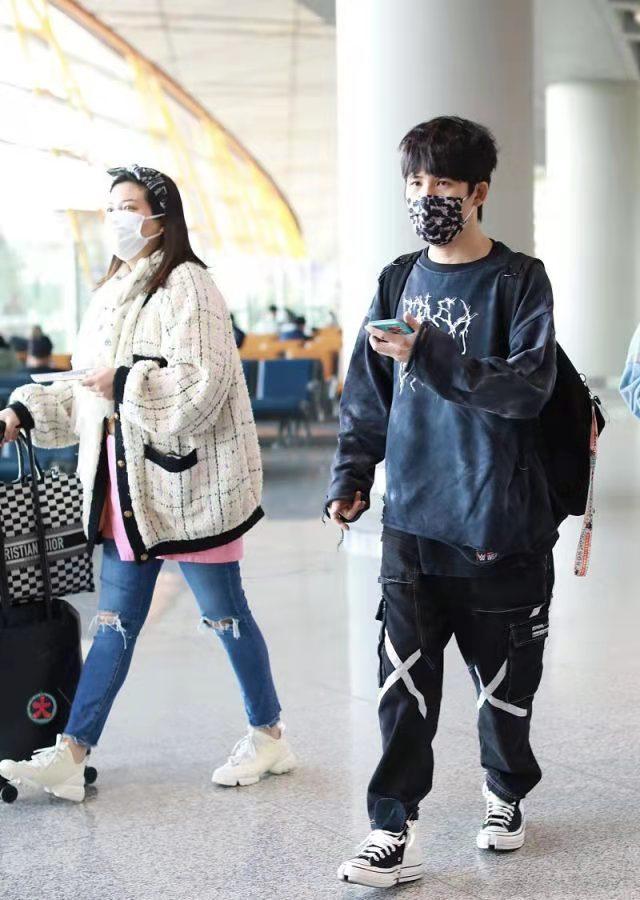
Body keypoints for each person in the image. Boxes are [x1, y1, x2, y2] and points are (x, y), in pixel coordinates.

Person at [0, 164, 296, 801]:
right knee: (112, 624)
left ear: (162, 214)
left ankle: (270, 737)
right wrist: (23, 411)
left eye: (129, 206)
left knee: (225, 615)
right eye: (110, 207)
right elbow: (84, 391)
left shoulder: (190, 285)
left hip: (188, 491)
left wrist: (127, 381)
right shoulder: (112, 291)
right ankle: (72, 755)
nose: (118, 219)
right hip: (125, 494)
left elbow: (203, 384)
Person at [326, 117, 557, 888]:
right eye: (416, 185)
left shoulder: (520, 281)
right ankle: (393, 827)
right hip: (412, 522)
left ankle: (504, 792)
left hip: (500, 523)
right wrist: (351, 475)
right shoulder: (397, 280)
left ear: (479, 193)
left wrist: (430, 349)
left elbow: (526, 389)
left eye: (443, 187)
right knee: (403, 683)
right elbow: (368, 393)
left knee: (505, 684)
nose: (426, 198)